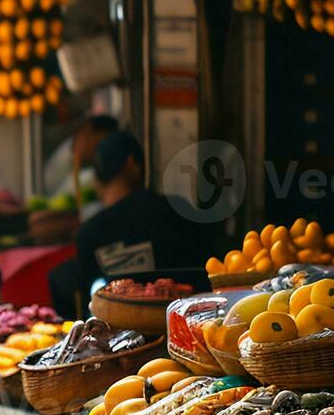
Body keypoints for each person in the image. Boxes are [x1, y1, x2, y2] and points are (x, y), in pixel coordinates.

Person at [49, 131, 212, 316]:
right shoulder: (176, 210)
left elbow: (89, 303)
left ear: (97, 179)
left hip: (116, 337)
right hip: (185, 324)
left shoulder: (89, 234)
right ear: (132, 163)